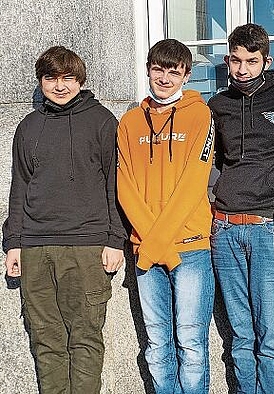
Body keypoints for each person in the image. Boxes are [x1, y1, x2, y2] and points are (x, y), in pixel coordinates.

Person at [2, 46, 126, 393]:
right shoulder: (28, 127)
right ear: (41, 81)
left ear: (80, 80)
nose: (60, 86)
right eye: (51, 78)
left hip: (86, 248)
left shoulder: (102, 121)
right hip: (36, 248)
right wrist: (14, 244)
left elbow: (115, 185)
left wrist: (115, 240)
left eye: (68, 77)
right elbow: (20, 186)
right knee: (46, 342)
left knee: (85, 340)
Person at [208, 23, 274, 393]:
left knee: (273, 335)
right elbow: (209, 162)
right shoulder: (218, 105)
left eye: (251, 61)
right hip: (225, 228)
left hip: (269, 228)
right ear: (227, 59)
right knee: (241, 334)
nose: (242, 69)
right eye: (235, 60)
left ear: (267, 60)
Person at [117, 39, 215, 393]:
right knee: (157, 346)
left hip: (187, 249)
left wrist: (162, 245)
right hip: (147, 252)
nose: (164, 77)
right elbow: (124, 186)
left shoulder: (200, 115)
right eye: (158, 69)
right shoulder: (129, 122)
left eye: (173, 71)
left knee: (191, 344)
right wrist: (154, 244)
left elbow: (194, 183)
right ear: (148, 70)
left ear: (187, 75)